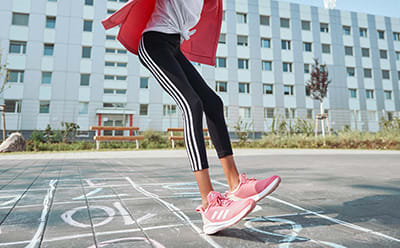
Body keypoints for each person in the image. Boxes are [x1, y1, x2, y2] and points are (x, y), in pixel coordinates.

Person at [102, 0, 281, 235]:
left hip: (173, 44)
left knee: (213, 104)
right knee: (191, 104)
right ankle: (209, 204)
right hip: (153, 43)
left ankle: (235, 184)